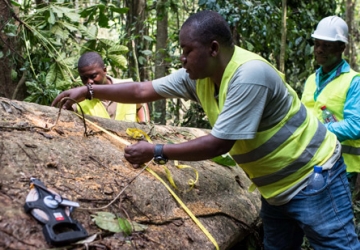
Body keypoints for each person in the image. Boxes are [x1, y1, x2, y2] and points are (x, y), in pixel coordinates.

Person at [52, 10, 360, 249]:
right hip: (275, 190)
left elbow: (219, 143)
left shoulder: (249, 75)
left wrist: (157, 151)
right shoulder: (196, 75)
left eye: (187, 51)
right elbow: (143, 90)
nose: (182, 59)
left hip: (313, 179)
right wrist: (89, 92)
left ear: (213, 48)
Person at [301, 16, 360, 195]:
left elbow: (355, 126)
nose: (319, 50)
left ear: (342, 47)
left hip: (343, 169)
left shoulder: (353, 81)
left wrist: (318, 131)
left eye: (326, 46)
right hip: (312, 166)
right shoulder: (311, 80)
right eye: (317, 44)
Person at [74, 52, 150, 123]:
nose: (89, 81)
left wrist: (144, 124)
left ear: (104, 70)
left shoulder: (126, 87)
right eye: (84, 78)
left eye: (93, 76)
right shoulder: (80, 100)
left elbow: (141, 104)